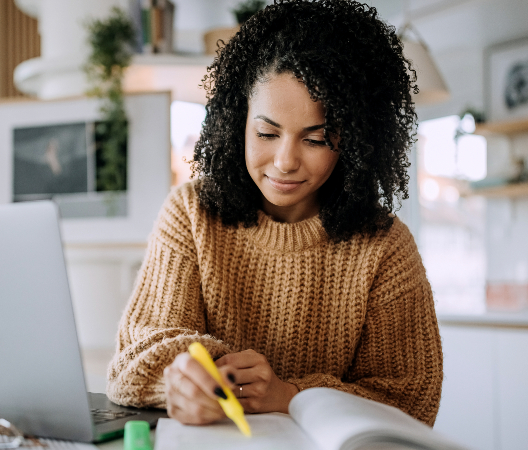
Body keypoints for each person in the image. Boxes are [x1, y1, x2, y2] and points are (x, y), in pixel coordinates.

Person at [106, 0, 443, 426]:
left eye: (316, 139)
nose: (285, 161)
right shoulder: (191, 214)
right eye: (267, 132)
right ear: (237, 120)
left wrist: (290, 395)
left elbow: (413, 400)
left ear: (356, 141)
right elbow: (132, 361)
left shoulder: (385, 248)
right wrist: (180, 379)